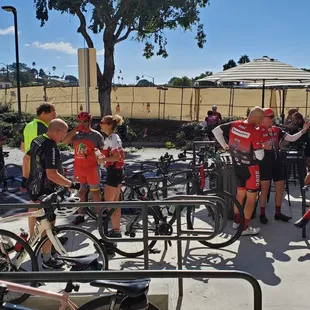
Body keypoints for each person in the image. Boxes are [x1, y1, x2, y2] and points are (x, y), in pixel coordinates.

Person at [26, 118, 80, 269]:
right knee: (49, 224)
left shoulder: (38, 140)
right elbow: (52, 175)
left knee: (39, 220)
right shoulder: (50, 146)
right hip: (46, 191)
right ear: (57, 131)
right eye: (64, 133)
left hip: (34, 187)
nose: (65, 136)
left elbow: (27, 158)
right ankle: (47, 258)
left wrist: (25, 179)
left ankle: (35, 242)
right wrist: (72, 184)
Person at [212, 106, 266, 236]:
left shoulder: (235, 124)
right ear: (257, 117)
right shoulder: (255, 131)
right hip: (251, 168)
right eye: (262, 118)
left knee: (240, 195)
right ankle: (244, 227)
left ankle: (236, 222)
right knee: (252, 198)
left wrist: (224, 145)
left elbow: (216, 130)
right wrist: (263, 146)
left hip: (237, 166)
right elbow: (260, 156)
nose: (262, 121)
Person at [258, 108, 310, 224]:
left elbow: (291, 138)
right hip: (265, 163)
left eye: (273, 117)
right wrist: (262, 146)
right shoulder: (258, 130)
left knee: (280, 189)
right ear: (262, 118)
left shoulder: (277, 130)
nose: (273, 119)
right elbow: (253, 145)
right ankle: (262, 213)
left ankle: (278, 212)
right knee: (264, 189)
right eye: (270, 117)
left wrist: (303, 131)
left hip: (278, 162)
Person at [61, 112, 105, 225]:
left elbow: (102, 151)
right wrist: (75, 129)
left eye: (84, 121)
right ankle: (80, 216)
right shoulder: (76, 134)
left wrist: (99, 154)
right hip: (79, 169)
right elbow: (64, 141)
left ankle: (99, 216)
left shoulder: (96, 135)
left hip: (92, 169)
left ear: (89, 121)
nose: (82, 124)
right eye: (79, 121)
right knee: (80, 192)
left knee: (95, 193)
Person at [21, 103, 56, 190]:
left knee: (34, 199)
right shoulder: (44, 128)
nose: (55, 115)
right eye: (53, 112)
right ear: (43, 113)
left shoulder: (28, 126)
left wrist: (24, 178)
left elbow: (23, 148)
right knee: (42, 199)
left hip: (29, 169)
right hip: (40, 171)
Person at [100, 114, 125, 238]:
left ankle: (115, 231)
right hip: (117, 172)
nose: (100, 125)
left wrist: (102, 160)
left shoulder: (112, 138)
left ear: (109, 125)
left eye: (102, 122)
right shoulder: (111, 137)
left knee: (111, 203)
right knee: (115, 203)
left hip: (114, 172)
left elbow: (116, 157)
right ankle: (116, 230)